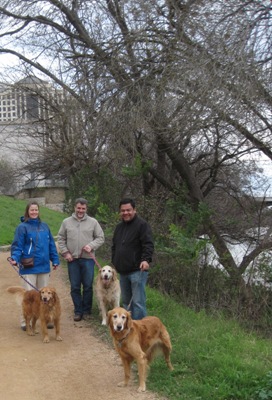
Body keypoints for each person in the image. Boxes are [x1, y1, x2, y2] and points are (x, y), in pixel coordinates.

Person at [10, 200, 60, 331]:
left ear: (39, 211)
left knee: (45, 296)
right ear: (27, 211)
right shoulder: (22, 227)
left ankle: (46, 318)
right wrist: (15, 258)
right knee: (28, 296)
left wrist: (55, 259)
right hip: (28, 267)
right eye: (31, 210)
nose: (34, 212)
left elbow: (51, 245)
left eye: (36, 210)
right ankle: (24, 320)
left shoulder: (45, 227)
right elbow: (17, 245)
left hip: (43, 267)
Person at [57, 198, 105, 322]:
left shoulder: (93, 222)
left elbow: (100, 237)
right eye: (79, 208)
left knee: (88, 286)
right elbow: (61, 239)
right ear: (75, 207)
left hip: (88, 259)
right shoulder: (66, 222)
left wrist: (91, 245)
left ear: (86, 209)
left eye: (83, 208)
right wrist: (65, 252)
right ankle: (78, 311)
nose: (80, 210)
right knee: (75, 286)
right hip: (72, 259)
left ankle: (87, 311)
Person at [111, 198, 154, 320]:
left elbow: (148, 244)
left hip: (137, 271)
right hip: (122, 272)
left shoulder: (142, 225)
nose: (125, 213)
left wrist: (145, 259)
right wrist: (114, 261)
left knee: (138, 303)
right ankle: (128, 331)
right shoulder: (119, 227)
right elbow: (115, 246)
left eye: (128, 210)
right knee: (126, 304)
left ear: (134, 210)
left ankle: (141, 331)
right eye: (123, 210)